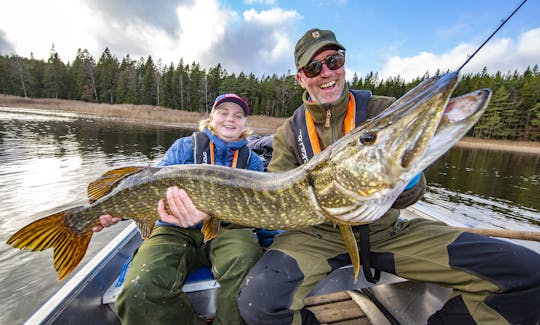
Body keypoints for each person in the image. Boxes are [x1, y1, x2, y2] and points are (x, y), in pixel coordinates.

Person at [237, 28, 540, 325]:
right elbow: (275, 195)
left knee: (530, 274)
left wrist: (407, 179)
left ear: (343, 64)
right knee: (259, 303)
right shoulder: (289, 132)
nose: (327, 73)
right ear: (301, 78)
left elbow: (413, 194)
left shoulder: (380, 109)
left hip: (386, 230)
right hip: (315, 236)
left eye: (334, 61)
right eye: (314, 67)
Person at [94, 93, 268, 325]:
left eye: (238, 115)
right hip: (173, 229)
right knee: (139, 288)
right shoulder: (184, 147)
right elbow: (149, 186)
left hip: (229, 231)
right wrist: (114, 209)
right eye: (223, 112)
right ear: (211, 117)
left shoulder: (253, 161)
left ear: (245, 123)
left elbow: (261, 212)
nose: (230, 119)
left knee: (248, 265)